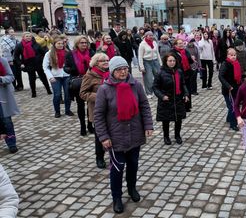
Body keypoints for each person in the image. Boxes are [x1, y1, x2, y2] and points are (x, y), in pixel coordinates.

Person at [94, 56, 153, 214]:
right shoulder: (105, 89)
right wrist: (104, 137)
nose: (123, 72)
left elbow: (144, 106)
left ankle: (132, 188)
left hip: (135, 133)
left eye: (125, 68)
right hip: (115, 137)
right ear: (112, 71)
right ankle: (117, 197)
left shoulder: (136, 85)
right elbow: (98, 115)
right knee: (117, 168)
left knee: (133, 164)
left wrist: (148, 125)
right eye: (119, 69)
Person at [79, 53, 110, 169]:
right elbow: (82, 93)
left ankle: (113, 153)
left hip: (112, 108)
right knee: (100, 135)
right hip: (98, 109)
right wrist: (99, 96)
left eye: (107, 60)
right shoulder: (89, 75)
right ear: (96, 63)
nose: (106, 62)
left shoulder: (111, 73)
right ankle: (99, 157)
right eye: (103, 61)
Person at [153, 53, 189, 145]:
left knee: (178, 119)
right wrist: (162, 96)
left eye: (173, 61)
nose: (172, 62)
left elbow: (183, 84)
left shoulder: (179, 72)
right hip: (166, 100)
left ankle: (177, 135)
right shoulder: (160, 73)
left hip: (178, 99)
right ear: (166, 61)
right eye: (170, 61)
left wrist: (186, 94)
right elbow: (155, 87)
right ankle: (166, 136)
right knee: (166, 120)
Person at [64, 36, 92, 136]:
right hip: (78, 82)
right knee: (80, 105)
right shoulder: (70, 54)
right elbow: (65, 68)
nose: (84, 44)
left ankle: (90, 125)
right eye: (82, 43)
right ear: (77, 44)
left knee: (90, 105)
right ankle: (82, 126)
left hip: (90, 81)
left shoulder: (91, 52)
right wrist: (72, 69)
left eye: (85, 43)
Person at [14, 32, 52, 97]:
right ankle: (33, 92)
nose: (29, 37)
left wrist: (43, 60)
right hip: (28, 64)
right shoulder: (19, 45)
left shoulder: (35, 44)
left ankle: (48, 90)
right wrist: (20, 63)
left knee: (43, 77)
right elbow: (16, 55)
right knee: (32, 78)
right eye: (27, 36)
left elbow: (43, 52)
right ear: (23, 37)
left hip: (38, 63)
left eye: (30, 36)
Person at [42, 37, 71, 118]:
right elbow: (45, 67)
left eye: (62, 43)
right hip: (55, 76)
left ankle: (67, 110)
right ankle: (57, 111)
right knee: (57, 94)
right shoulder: (49, 53)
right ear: (54, 44)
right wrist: (50, 77)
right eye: (58, 43)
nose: (61, 45)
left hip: (66, 76)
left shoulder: (67, 52)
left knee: (67, 94)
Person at [0, 57, 20, 154]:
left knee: (6, 120)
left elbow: (11, 76)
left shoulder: (2, 60)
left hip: (2, 95)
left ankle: (11, 143)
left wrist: (1, 79)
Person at [219, 48, 241, 131]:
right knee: (233, 107)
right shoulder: (225, 64)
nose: (233, 56)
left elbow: (238, 76)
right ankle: (233, 124)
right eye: (231, 55)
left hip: (235, 88)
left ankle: (229, 119)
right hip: (228, 90)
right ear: (227, 55)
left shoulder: (236, 63)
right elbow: (221, 76)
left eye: (234, 55)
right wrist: (228, 86)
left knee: (233, 105)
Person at [138, 32, 160, 98]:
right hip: (146, 61)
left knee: (158, 76)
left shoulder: (154, 43)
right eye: (149, 35)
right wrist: (141, 66)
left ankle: (157, 91)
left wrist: (160, 63)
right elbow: (140, 56)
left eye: (152, 35)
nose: (151, 37)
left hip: (155, 61)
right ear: (146, 36)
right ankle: (149, 93)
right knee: (148, 78)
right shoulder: (142, 44)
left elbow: (157, 53)